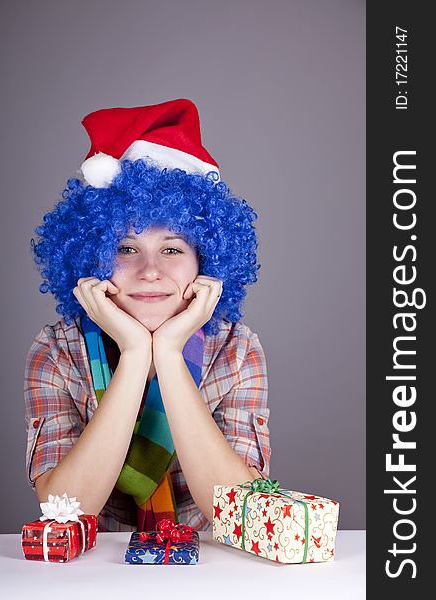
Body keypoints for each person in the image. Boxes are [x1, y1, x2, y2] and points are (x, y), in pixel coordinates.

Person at [25, 98, 271, 532]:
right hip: (91, 580)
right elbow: (65, 509)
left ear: (206, 263)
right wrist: (136, 354)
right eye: (126, 248)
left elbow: (242, 515)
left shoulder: (236, 348)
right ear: (91, 258)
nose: (151, 270)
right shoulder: (58, 350)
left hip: (214, 575)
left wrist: (171, 356)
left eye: (172, 249)